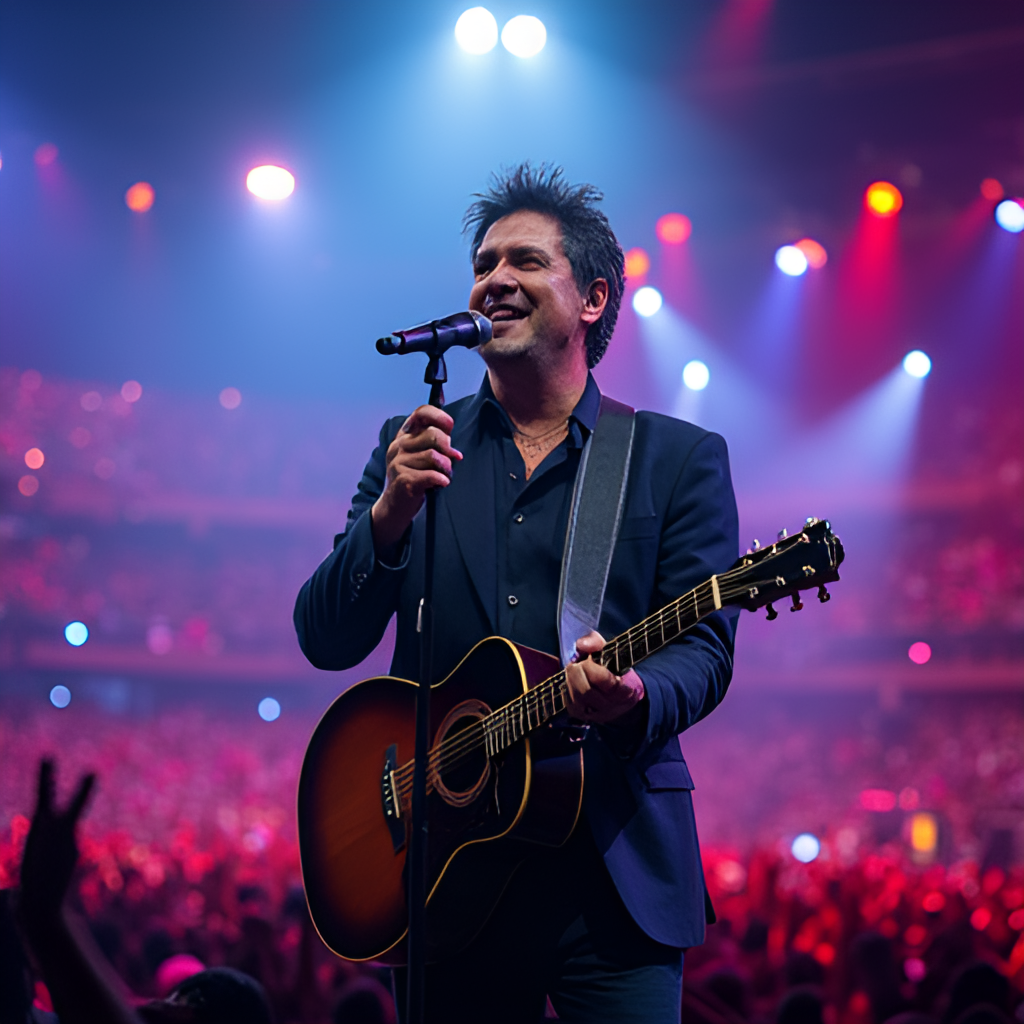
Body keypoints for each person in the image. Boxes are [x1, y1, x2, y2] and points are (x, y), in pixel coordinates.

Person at [294, 164, 740, 1023]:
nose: (495, 278)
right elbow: (325, 638)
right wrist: (388, 514)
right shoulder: (414, 444)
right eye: (485, 261)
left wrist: (636, 694)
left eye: (527, 261)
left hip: (613, 869)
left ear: (594, 299)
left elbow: (707, 650)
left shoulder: (675, 458)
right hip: (442, 872)